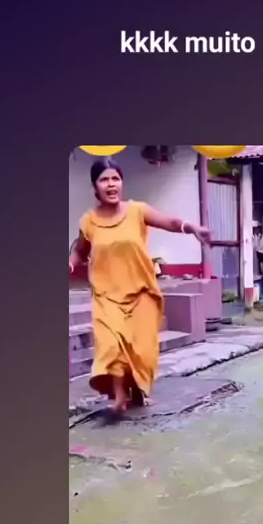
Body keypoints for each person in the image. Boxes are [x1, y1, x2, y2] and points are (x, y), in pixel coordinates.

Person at [69, 157, 212, 415]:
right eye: (104, 180)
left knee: (141, 349)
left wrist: (190, 227)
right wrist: (71, 263)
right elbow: (80, 250)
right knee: (110, 346)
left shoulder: (137, 211)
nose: (111, 184)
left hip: (141, 293)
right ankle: (119, 394)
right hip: (106, 295)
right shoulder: (88, 221)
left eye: (115, 179)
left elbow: (169, 222)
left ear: (122, 183)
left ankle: (137, 389)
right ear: (95, 187)